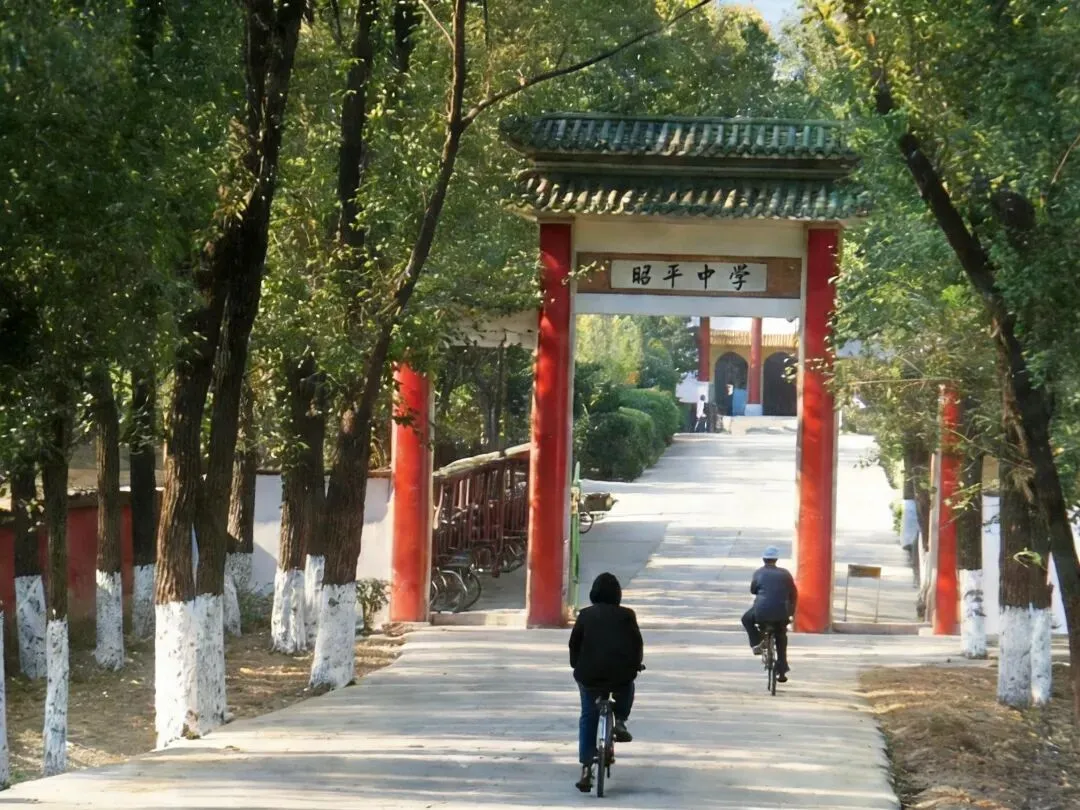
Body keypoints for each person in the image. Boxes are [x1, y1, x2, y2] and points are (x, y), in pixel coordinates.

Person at [569, 572, 644, 792]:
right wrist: (635, 665)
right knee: (627, 686)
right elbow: (636, 644)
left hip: (589, 675)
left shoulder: (585, 615)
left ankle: (586, 767)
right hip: (620, 675)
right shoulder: (627, 615)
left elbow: (574, 644)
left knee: (588, 714)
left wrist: (576, 664)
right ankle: (620, 719)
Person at [741, 545, 797, 682]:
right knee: (781, 636)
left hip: (761, 612)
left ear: (763, 559)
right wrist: (791, 612)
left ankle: (756, 643)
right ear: (776, 559)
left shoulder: (758, 573)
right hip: (782, 613)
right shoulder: (785, 574)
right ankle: (782, 670)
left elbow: (753, 590)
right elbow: (794, 594)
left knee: (746, 619)